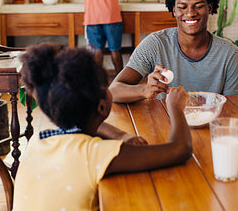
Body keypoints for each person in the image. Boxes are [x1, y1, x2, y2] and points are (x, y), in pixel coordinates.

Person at [13, 44, 192, 211]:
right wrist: (175, 108)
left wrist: (121, 135)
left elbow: (88, 126)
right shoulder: (94, 154)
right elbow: (180, 149)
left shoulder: (38, 140)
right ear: (101, 107)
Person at [109, 0, 238, 103]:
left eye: (198, 6)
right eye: (182, 7)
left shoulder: (229, 54)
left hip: (209, 122)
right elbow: (114, 91)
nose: (190, 13)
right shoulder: (155, 44)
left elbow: (234, 107)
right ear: (174, 10)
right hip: (165, 123)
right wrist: (144, 90)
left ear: (210, 8)